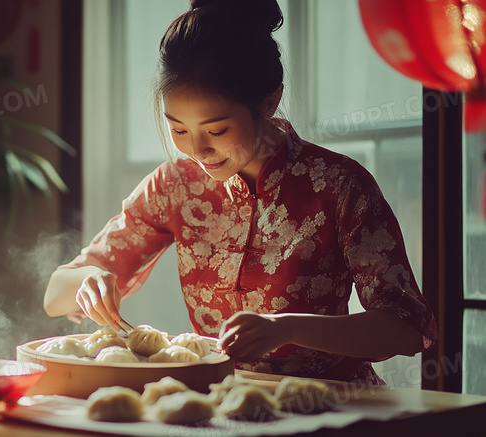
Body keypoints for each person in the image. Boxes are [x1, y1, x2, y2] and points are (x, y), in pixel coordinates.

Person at [44, 0, 436, 383]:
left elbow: (405, 328)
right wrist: (90, 280)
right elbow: (55, 295)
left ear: (269, 102)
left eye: (216, 131)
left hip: (328, 404)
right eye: (179, 130)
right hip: (222, 401)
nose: (197, 151)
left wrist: (287, 329)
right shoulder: (174, 186)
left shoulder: (338, 184)